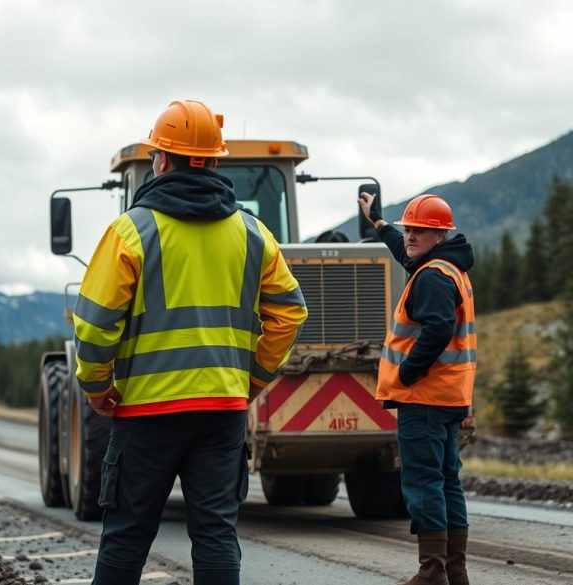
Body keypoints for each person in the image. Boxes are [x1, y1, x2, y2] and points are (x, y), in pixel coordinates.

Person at [74, 100, 307, 585]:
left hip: (146, 414)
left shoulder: (130, 232)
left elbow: (95, 325)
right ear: (216, 161)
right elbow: (290, 313)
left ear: (161, 159)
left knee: (127, 536)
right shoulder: (253, 233)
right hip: (221, 411)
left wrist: (98, 389)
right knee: (216, 535)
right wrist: (254, 379)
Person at [359, 192, 475, 585]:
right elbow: (406, 254)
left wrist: (408, 373)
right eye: (409, 228)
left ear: (439, 236)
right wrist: (379, 223)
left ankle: (432, 573)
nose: (411, 236)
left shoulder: (432, 277)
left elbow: (439, 327)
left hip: (423, 397)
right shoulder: (448, 267)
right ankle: (454, 571)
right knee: (446, 481)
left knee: (424, 481)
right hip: (449, 397)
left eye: (420, 231)